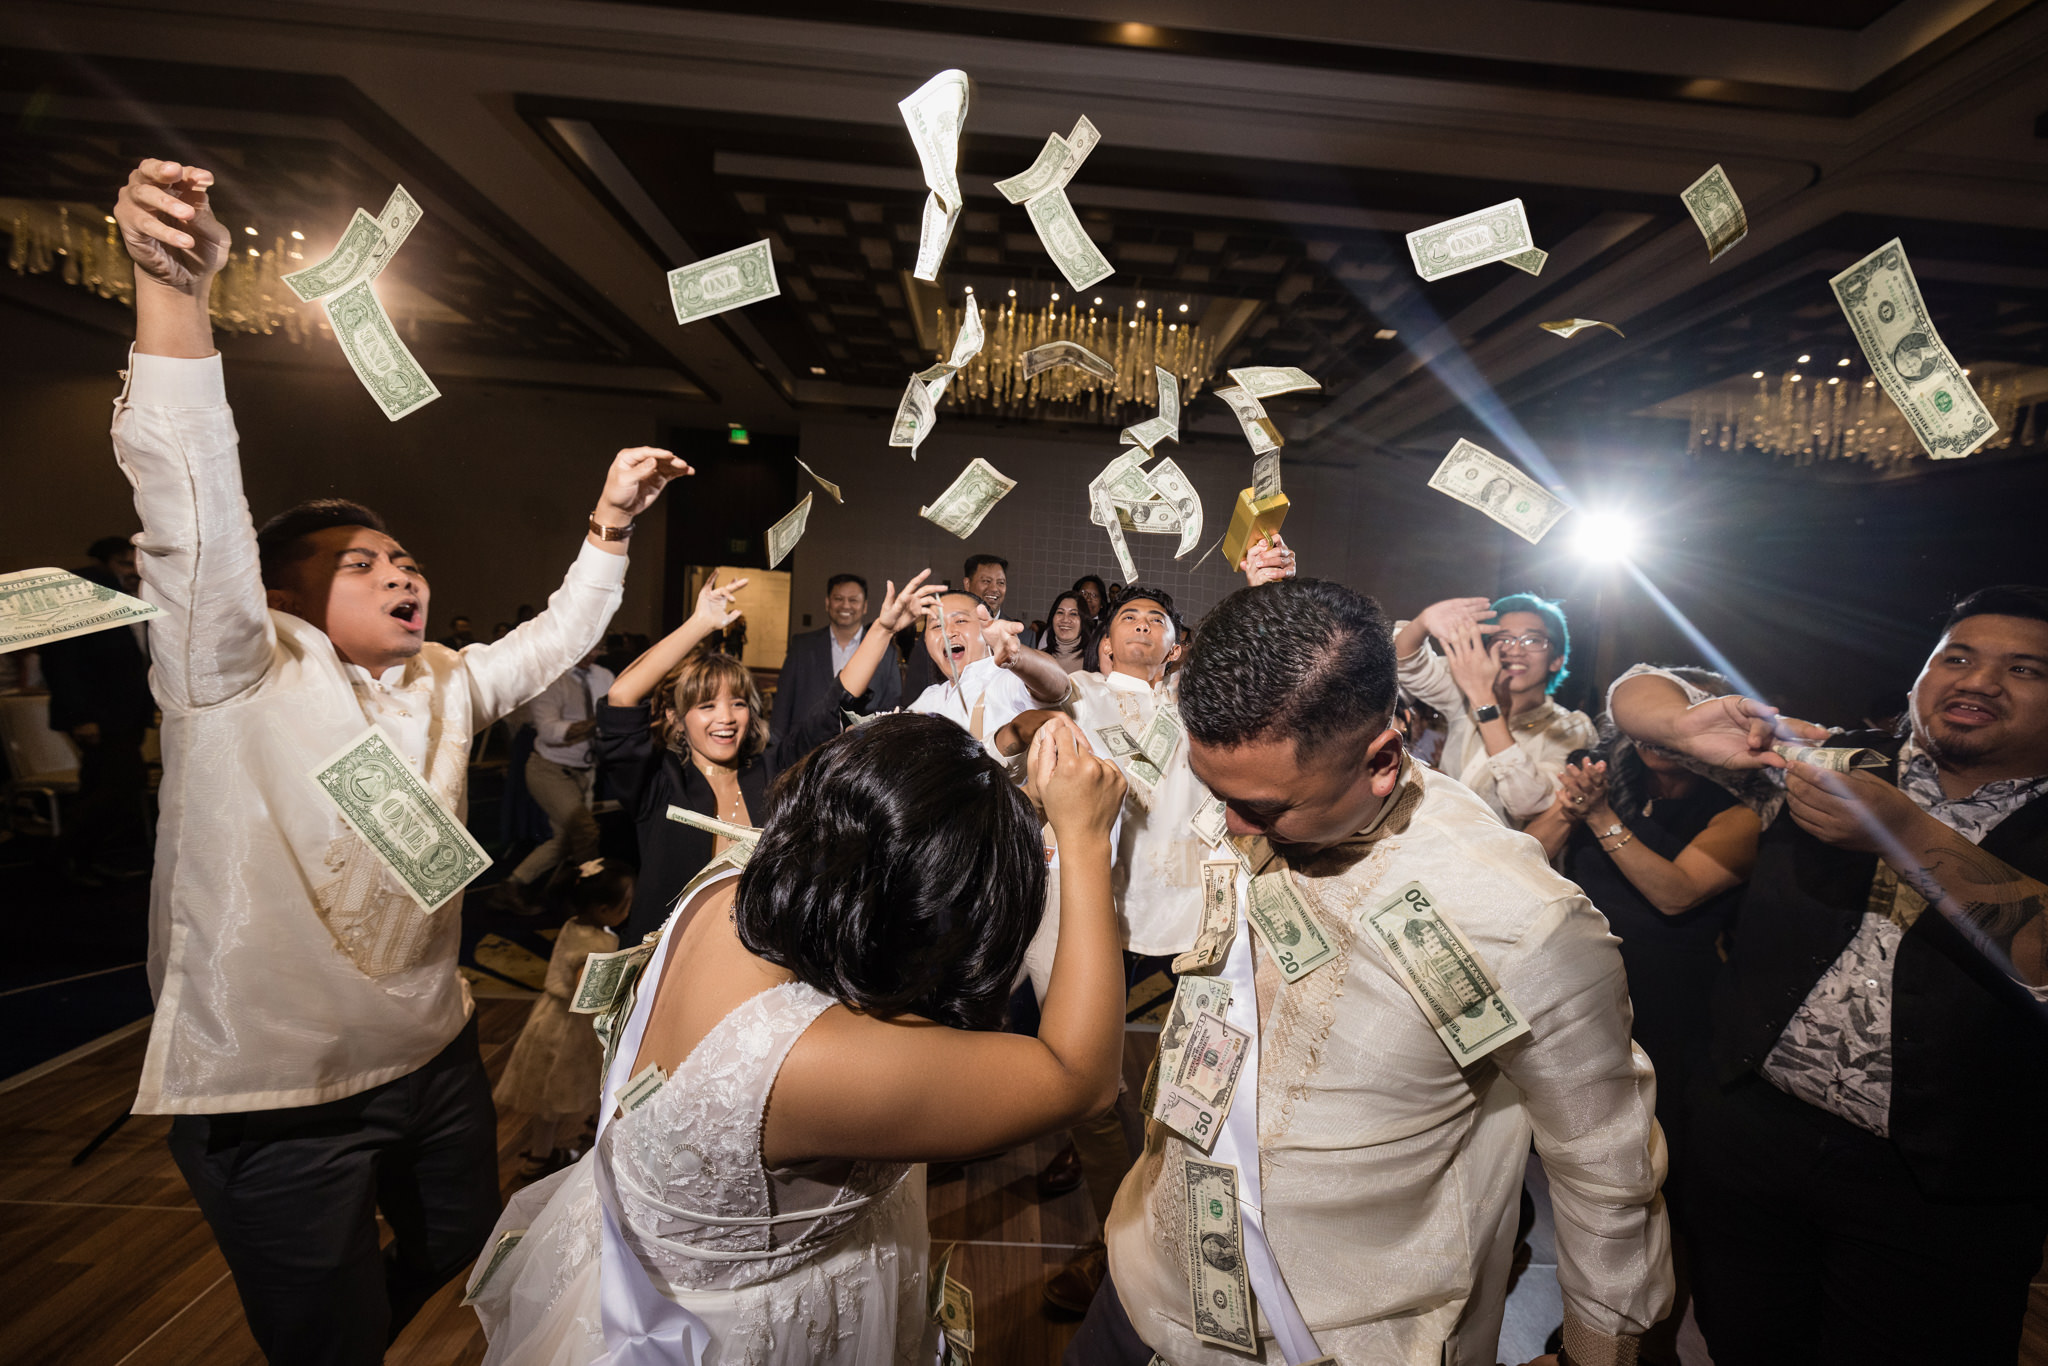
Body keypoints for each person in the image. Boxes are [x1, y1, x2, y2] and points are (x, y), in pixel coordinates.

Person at [110, 156, 693, 1365]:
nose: (401, 573)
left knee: (464, 1250)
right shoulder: (232, 668)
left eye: (406, 560)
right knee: (325, 1338)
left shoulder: (442, 681)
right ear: (278, 595)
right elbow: (190, 502)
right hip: (276, 1093)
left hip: (430, 1057)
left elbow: (556, 638)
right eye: (362, 563)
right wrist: (173, 295)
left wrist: (609, 523)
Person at [1069, 577, 1672, 1366]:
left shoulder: (1520, 921)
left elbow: (1606, 1172)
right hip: (1144, 1277)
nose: (1230, 825)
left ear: (1382, 760)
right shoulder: (1260, 802)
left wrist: (1595, 1353)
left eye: (1263, 808)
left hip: (1331, 1339)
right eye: (1217, 792)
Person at [469, 712, 1128, 1365]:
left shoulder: (732, 885)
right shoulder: (813, 1063)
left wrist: (983, 790)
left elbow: (882, 825)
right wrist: (1085, 839)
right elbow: (1081, 1077)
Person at [1605, 585, 2048, 1366]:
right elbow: (1636, 691)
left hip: (1942, 1185)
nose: (1979, 681)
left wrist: (1901, 828)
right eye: (1956, 658)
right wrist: (1683, 725)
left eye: (2024, 669)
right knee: (1745, 1340)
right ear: (1920, 677)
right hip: (1754, 1139)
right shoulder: (1837, 760)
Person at [600, 572, 928, 945]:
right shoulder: (660, 783)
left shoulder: (772, 769)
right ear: (676, 717)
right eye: (707, 706)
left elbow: (831, 708)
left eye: (738, 703)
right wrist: (700, 624)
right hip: (675, 958)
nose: (726, 718)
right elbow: (621, 697)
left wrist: (882, 630)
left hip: (757, 952)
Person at [1393, 593, 1596, 827]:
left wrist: (1484, 702)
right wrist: (1423, 623)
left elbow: (1528, 803)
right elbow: (1406, 666)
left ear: (1556, 659)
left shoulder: (1570, 727)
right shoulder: (1464, 694)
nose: (1516, 650)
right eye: (1503, 639)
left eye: (1533, 640)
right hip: (1439, 837)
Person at [493, 859, 634, 1181]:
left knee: (552, 1094)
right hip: (571, 1029)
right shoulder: (597, 944)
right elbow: (586, 992)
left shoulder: (573, 924)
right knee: (564, 1090)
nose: (629, 909)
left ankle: (545, 1151)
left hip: (548, 1016)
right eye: (625, 904)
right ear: (603, 909)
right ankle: (556, 1151)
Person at [39, 539, 155, 881]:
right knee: (123, 782)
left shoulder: (129, 599)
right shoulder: (81, 601)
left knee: (98, 786)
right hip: (99, 715)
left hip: (124, 714)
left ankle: (78, 862)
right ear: (103, 566)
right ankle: (61, 857)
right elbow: (61, 663)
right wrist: (81, 716)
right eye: (124, 563)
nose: (133, 571)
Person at [484, 646, 616, 914]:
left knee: (565, 839)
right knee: (585, 831)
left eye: (600, 648)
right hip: (549, 770)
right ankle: (590, 900)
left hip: (585, 770)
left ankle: (512, 886)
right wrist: (601, 721)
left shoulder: (603, 676)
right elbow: (549, 732)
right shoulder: (552, 681)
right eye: (589, 647)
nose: (594, 654)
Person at [908, 587, 1069, 744]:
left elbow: (1058, 686)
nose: (948, 632)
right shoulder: (931, 697)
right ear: (926, 640)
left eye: (960, 621)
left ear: (987, 628)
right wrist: (890, 629)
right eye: (937, 626)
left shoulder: (1003, 682)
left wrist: (1017, 656)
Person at [773, 572, 901, 760]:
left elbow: (892, 706)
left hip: (859, 757)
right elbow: (783, 704)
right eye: (838, 599)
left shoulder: (886, 653)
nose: (846, 605)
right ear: (827, 603)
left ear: (865, 606)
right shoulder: (802, 646)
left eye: (853, 600)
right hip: (803, 753)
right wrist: (775, 753)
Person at [1035, 589, 1097, 673]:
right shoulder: (1038, 658)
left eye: (1073, 614)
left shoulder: (1094, 662)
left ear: (1083, 621)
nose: (1065, 619)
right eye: (1060, 612)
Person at [964, 552, 1013, 621]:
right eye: (986, 581)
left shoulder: (1016, 628)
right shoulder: (950, 624)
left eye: (1001, 582)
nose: (994, 589)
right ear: (967, 584)